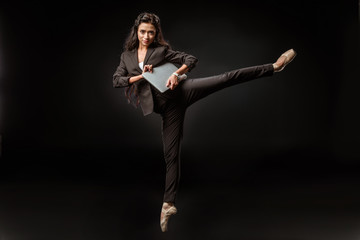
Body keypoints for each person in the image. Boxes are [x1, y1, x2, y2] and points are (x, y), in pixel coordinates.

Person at [113, 12, 296, 232]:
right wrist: (142, 76)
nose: (146, 36)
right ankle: (168, 204)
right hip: (168, 110)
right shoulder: (127, 57)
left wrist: (176, 73)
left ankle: (274, 67)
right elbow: (117, 80)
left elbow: (191, 60)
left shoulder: (160, 51)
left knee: (226, 78)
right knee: (171, 155)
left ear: (155, 33)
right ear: (137, 31)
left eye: (151, 32)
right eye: (143, 31)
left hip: (183, 91)